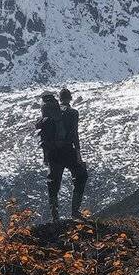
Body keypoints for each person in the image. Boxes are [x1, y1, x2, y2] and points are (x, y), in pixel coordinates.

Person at [36, 87, 88, 221]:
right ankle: (75, 211)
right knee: (81, 175)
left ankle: (55, 216)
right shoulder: (73, 113)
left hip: (53, 153)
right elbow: (74, 134)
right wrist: (78, 154)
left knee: (53, 183)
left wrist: (46, 155)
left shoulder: (50, 114)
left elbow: (44, 134)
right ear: (70, 98)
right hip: (68, 151)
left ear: (59, 99)